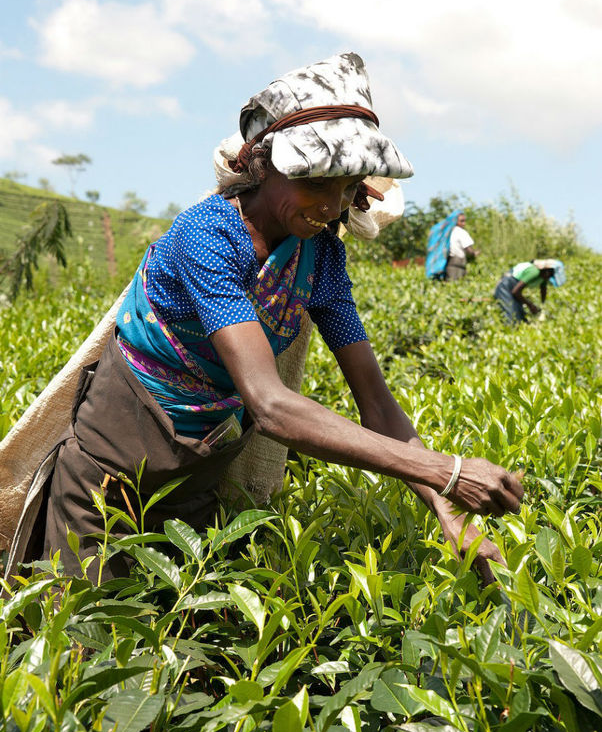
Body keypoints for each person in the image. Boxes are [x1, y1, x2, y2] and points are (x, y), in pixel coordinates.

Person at [28, 52, 523, 582]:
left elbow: (376, 402)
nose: (332, 208)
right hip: (108, 482)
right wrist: (446, 472)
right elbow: (270, 406)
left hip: (196, 488)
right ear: (263, 167)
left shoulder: (322, 261)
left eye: (347, 188)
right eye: (316, 183)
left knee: (175, 639)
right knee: (78, 634)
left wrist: (452, 516)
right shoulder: (208, 235)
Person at [494, 258, 565, 324]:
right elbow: (515, 292)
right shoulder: (534, 271)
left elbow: (543, 290)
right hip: (506, 286)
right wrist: (530, 305)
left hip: (513, 287)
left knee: (520, 316)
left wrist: (543, 306)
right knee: (512, 319)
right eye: (550, 275)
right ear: (546, 271)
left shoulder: (544, 277)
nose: (548, 278)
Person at [425, 210, 479, 281]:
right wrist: (475, 253)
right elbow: (468, 249)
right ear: (456, 221)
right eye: (461, 221)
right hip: (458, 264)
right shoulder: (461, 232)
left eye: (464, 221)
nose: (464, 223)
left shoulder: (447, 233)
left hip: (449, 264)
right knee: (458, 285)